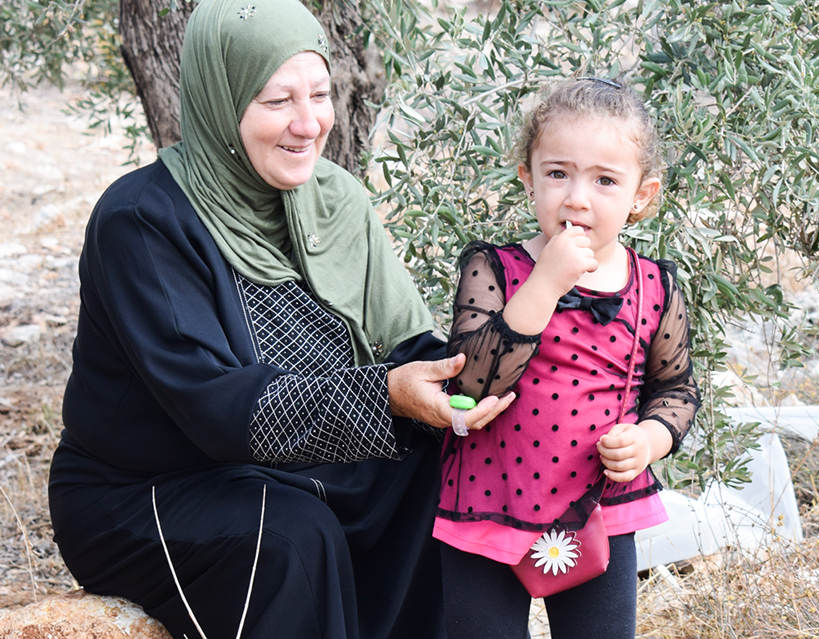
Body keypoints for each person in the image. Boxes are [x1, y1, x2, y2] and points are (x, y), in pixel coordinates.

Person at [46, 0, 512, 638]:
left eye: (319, 94)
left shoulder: (334, 199)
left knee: (442, 464)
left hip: (295, 471)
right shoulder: (142, 221)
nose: (308, 124)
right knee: (292, 536)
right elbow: (218, 408)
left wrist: (495, 373)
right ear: (221, 100)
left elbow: (412, 350)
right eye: (276, 101)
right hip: (143, 494)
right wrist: (387, 396)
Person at [433, 76, 701, 638]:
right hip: (488, 502)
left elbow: (676, 391)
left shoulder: (653, 286)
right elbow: (470, 382)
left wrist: (648, 441)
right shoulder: (494, 270)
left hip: (599, 508)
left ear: (641, 196)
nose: (577, 197)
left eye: (605, 180)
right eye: (558, 173)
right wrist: (544, 285)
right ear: (528, 180)